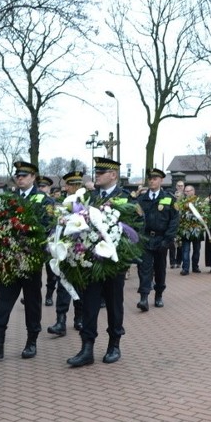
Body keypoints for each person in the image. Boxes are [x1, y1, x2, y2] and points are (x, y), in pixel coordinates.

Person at [0, 161, 54, 360]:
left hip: (30, 260)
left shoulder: (44, 200)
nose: (20, 178)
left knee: (32, 301)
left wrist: (27, 237)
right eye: (18, 175)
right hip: (9, 260)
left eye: (24, 175)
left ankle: (31, 341)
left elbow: (47, 227)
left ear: (33, 177)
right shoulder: (9, 198)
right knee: (3, 300)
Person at [67, 157, 133, 368]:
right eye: (96, 172)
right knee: (89, 305)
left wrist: (121, 254)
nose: (97, 175)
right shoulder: (90, 197)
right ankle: (87, 348)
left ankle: (114, 344)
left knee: (114, 304)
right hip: (91, 261)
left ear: (113, 175)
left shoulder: (125, 197)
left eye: (101, 172)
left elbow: (135, 227)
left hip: (114, 263)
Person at [47, 170, 85, 337]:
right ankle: (60, 321)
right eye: (69, 184)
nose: (69, 187)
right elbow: (57, 226)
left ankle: (79, 318)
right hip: (64, 250)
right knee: (63, 286)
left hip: (80, 251)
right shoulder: (62, 204)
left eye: (72, 184)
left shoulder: (86, 203)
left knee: (80, 286)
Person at [135, 168, 179, 311]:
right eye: (150, 179)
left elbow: (174, 220)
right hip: (145, 239)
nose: (152, 181)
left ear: (161, 180)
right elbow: (136, 219)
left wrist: (168, 239)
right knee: (144, 269)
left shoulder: (169, 198)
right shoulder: (141, 199)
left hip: (161, 239)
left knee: (160, 269)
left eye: (155, 179)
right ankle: (143, 298)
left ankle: (159, 294)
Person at [37, 175, 58, 306]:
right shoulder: (35, 199)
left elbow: (49, 220)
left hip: (48, 238)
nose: (41, 188)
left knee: (50, 270)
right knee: (35, 270)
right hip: (37, 239)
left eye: (43, 186)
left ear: (49, 188)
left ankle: (49, 295)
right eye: (39, 186)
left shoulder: (49, 201)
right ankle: (35, 294)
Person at [178, 184, 202, 276]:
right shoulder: (182, 202)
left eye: (189, 191)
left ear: (193, 191)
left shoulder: (199, 202)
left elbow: (203, 214)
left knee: (197, 250)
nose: (187, 193)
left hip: (197, 229)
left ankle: (195, 266)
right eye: (186, 191)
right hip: (185, 229)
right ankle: (185, 268)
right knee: (185, 250)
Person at [169, 179, 185, 268]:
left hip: (182, 225)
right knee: (171, 244)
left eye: (181, 186)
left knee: (180, 245)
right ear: (176, 186)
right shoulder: (171, 197)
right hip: (172, 225)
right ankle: (172, 262)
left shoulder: (186, 198)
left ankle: (179, 261)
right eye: (178, 185)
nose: (180, 187)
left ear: (184, 187)